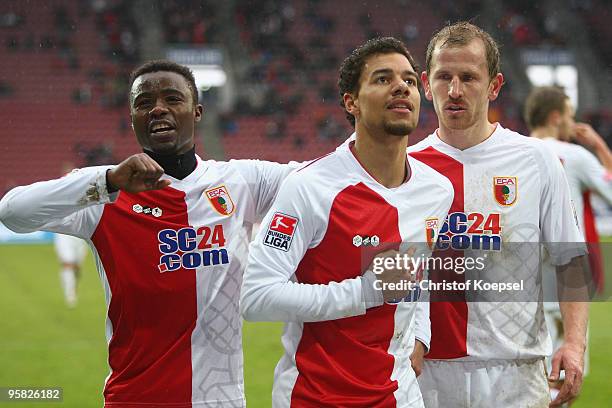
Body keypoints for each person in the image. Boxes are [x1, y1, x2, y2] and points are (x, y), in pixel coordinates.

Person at [0, 60, 297, 407]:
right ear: (133, 120)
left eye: (172, 99)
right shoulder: (107, 192)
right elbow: (12, 212)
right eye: (144, 103)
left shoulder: (242, 181)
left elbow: (322, 181)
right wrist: (106, 181)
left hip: (221, 399)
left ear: (197, 112)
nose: (158, 109)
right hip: (135, 398)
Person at [241, 37, 454, 407]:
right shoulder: (310, 187)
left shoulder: (437, 191)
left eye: (408, 80)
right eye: (383, 79)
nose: (401, 87)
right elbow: (257, 297)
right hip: (316, 396)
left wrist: (421, 332)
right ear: (351, 102)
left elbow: (416, 273)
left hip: (399, 393)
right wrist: (366, 292)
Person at [406, 22, 589, 407]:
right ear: (426, 83)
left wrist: (573, 344)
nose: (455, 91)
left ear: (494, 86)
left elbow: (570, 258)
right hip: (428, 373)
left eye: (469, 77)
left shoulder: (536, 160)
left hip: (516, 373)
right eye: (444, 77)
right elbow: (391, 265)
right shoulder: (404, 167)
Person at [524, 85, 612, 404]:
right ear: (556, 117)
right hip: (568, 279)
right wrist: (600, 148)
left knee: (527, 376)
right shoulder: (575, 155)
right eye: (570, 116)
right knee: (566, 377)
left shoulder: (513, 152)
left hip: (524, 282)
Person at [54, 232, 87, 307]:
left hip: (80, 234)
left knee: (77, 267)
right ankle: (70, 294)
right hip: (63, 233)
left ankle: (74, 288)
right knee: (67, 263)